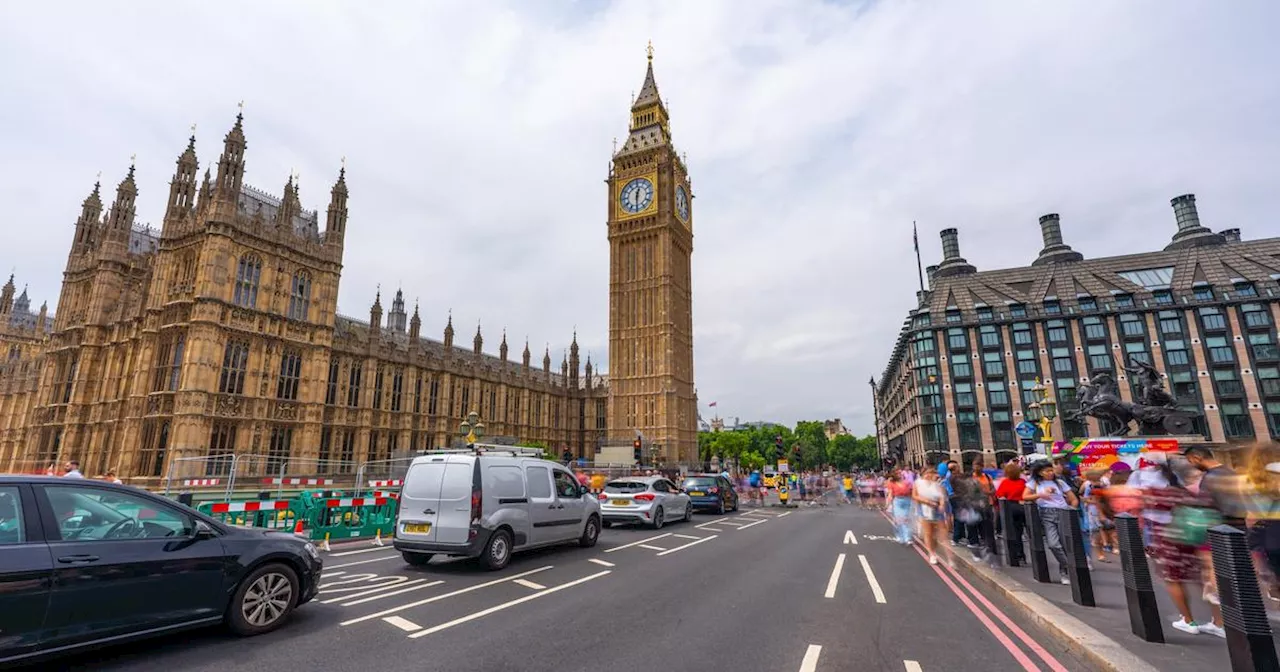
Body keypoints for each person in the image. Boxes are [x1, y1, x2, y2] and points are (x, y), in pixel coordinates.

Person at [1023, 461, 1078, 585]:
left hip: (1064, 512)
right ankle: (1069, 565)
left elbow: (1073, 499)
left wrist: (1072, 510)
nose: (1051, 473)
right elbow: (1025, 496)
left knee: (1065, 544)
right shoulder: (1035, 482)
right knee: (1053, 544)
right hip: (1047, 513)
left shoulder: (1060, 482)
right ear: (1040, 472)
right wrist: (1041, 494)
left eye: (1051, 470)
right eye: (1047, 471)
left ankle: (1064, 573)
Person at [914, 468, 952, 566]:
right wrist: (928, 502)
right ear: (923, 474)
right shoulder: (918, 484)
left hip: (937, 512)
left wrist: (942, 505)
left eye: (933, 473)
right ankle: (931, 554)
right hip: (924, 510)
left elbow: (942, 497)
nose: (930, 475)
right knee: (929, 533)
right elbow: (915, 496)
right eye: (928, 473)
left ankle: (946, 556)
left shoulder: (938, 485)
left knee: (940, 535)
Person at [995, 463, 1027, 565]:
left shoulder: (1005, 482)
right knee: (1019, 532)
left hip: (1009, 508)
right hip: (1022, 508)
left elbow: (999, 495)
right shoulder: (1022, 482)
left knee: (1011, 533)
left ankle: (1015, 555)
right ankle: (1021, 555)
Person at [886, 469, 913, 544]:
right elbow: (890, 494)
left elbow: (911, 492)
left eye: (901, 473)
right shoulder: (892, 483)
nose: (900, 474)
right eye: (898, 473)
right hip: (897, 501)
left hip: (907, 501)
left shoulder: (907, 483)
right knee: (899, 520)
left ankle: (907, 537)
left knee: (906, 519)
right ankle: (900, 535)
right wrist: (888, 504)